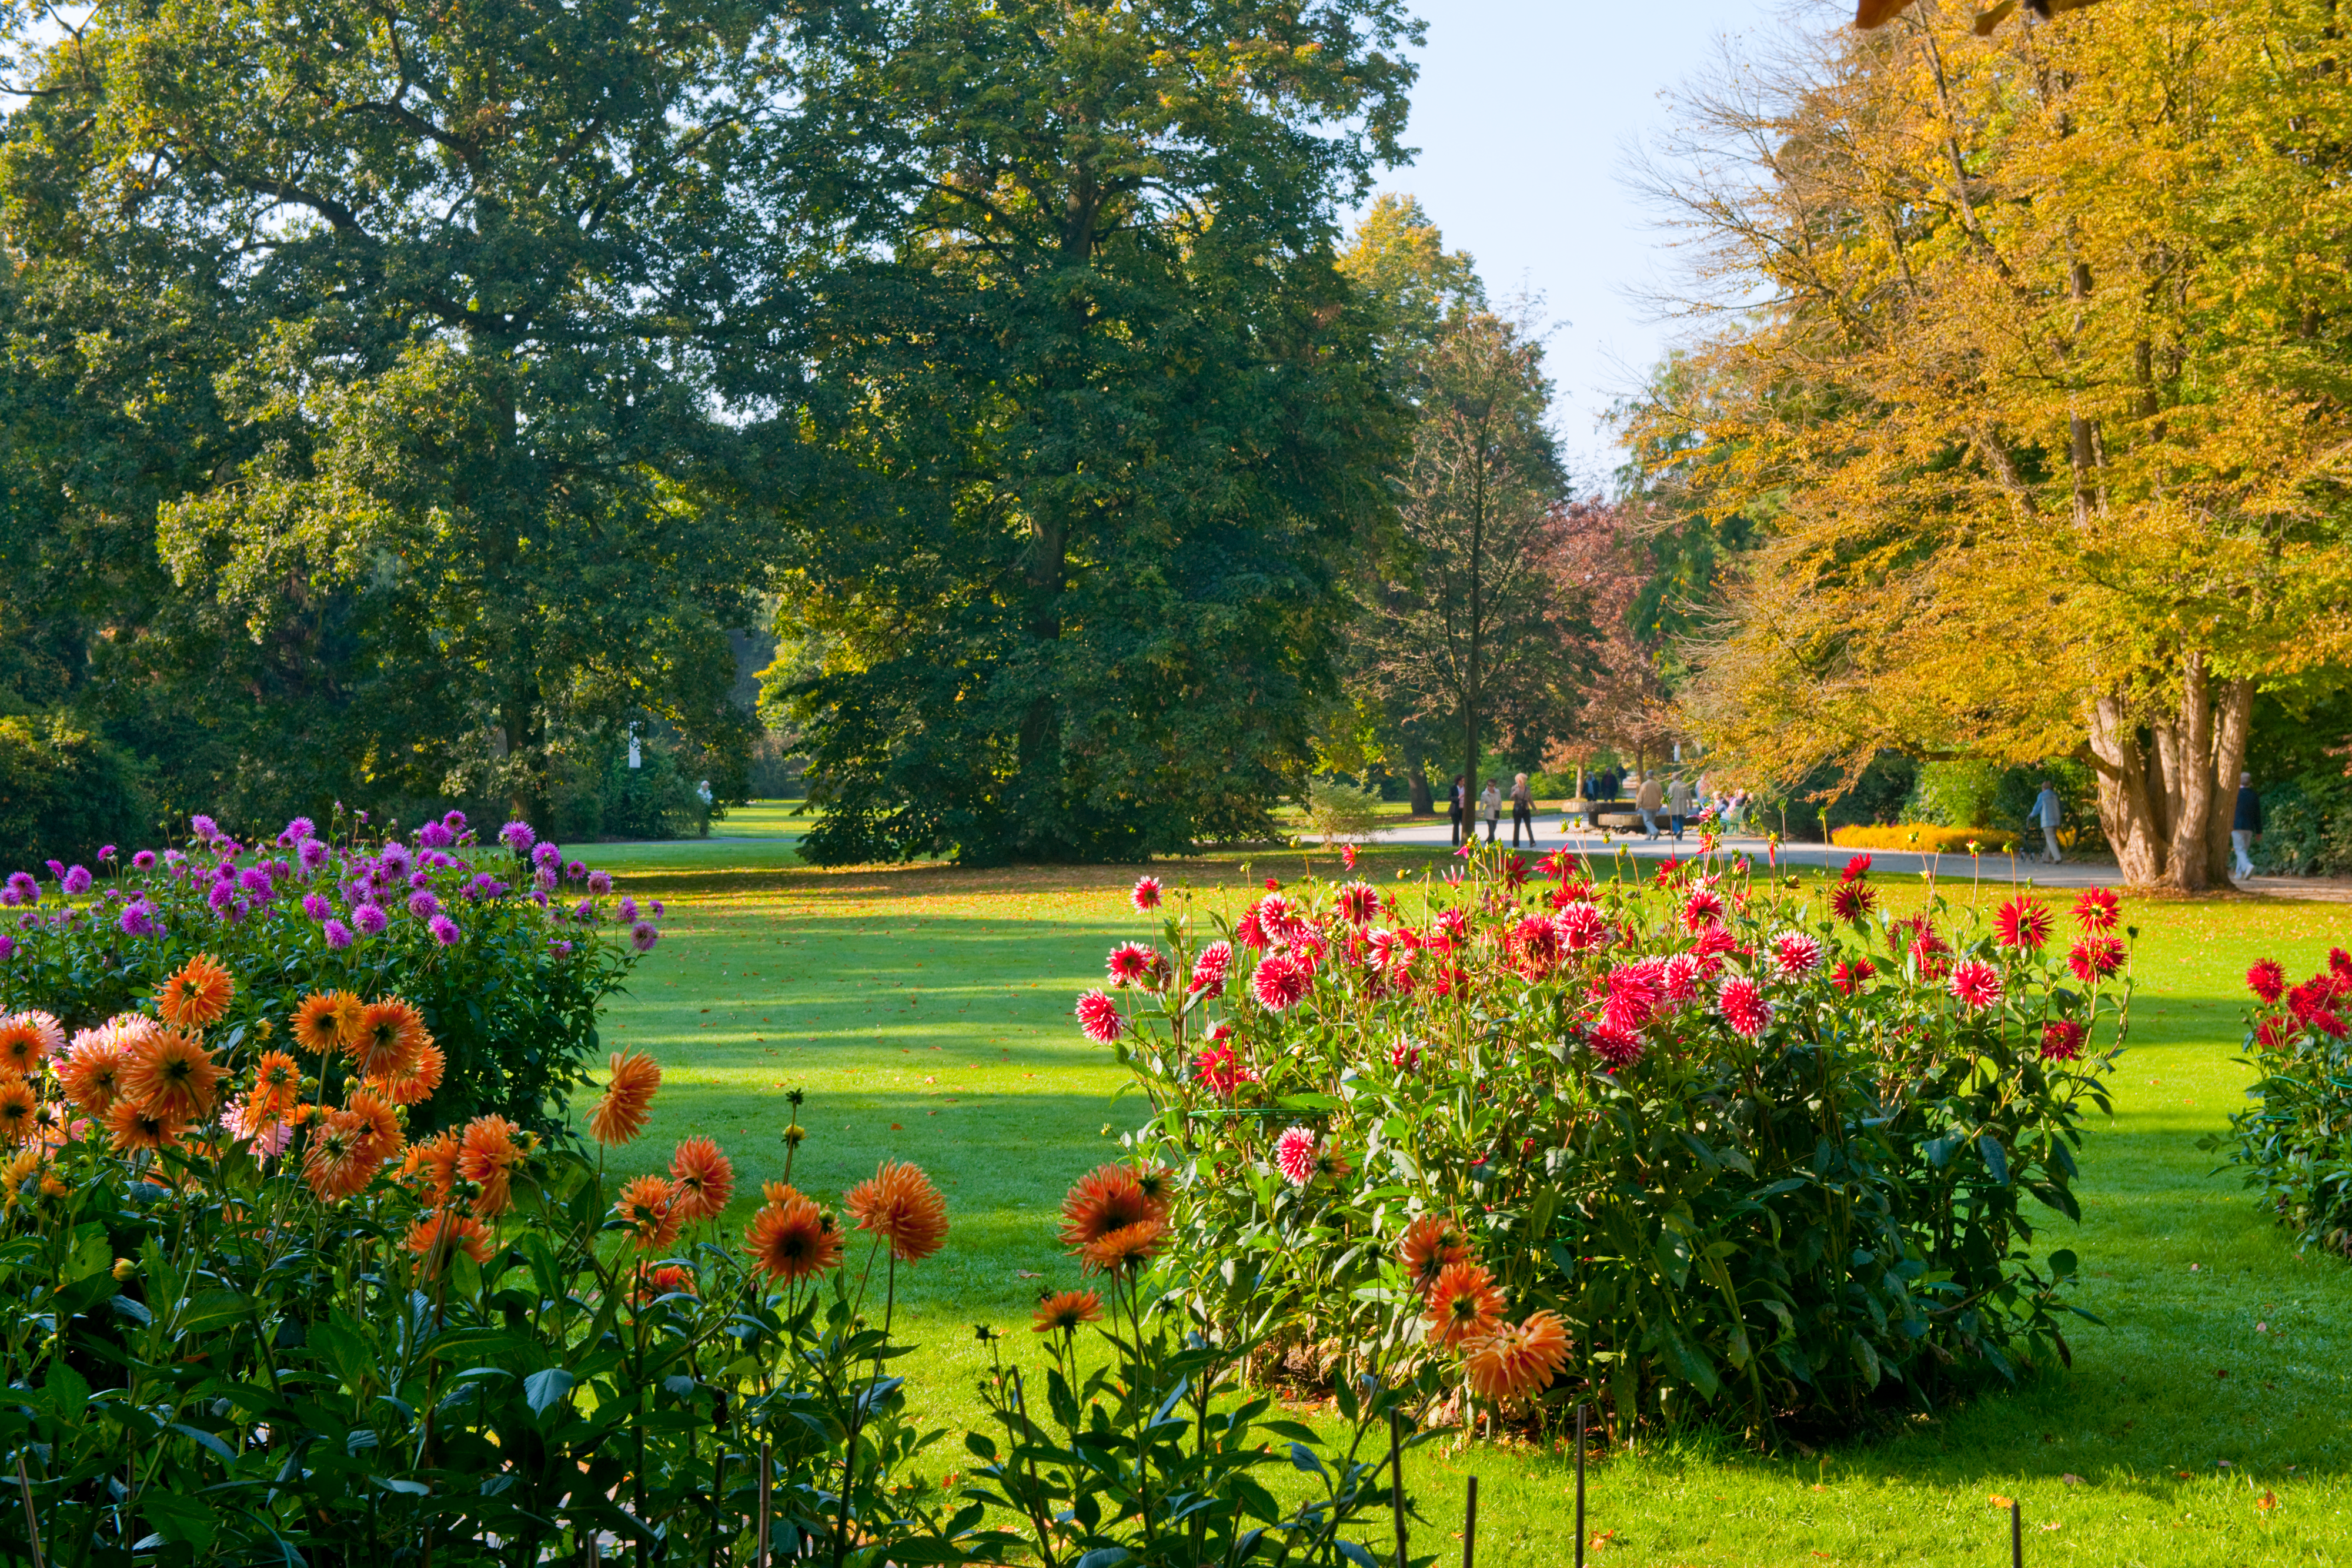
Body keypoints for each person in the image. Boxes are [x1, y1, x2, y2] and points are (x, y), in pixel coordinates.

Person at [2233, 771, 2263, 880]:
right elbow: (2257, 814)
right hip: (2250, 827)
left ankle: (2247, 866)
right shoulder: (2254, 795)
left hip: (2237, 826)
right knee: (2243, 850)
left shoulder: (2235, 794)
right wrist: (2259, 831)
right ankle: (2239, 873)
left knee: (2239, 850)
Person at [2032, 780, 2063, 864]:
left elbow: (2037, 807)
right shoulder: (2055, 795)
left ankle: (2057, 858)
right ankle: (2045, 858)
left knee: (2050, 840)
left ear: (2044, 788)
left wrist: (2032, 815)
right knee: (2051, 839)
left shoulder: (2042, 796)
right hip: (2056, 820)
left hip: (2047, 821)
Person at [1635, 772, 1665, 840]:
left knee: (1647, 822)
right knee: (1651, 822)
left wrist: (1638, 806)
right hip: (1655, 806)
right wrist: (1660, 806)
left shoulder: (1644, 785)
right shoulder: (1658, 785)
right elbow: (1661, 797)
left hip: (1646, 806)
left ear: (1647, 776)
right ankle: (1649, 836)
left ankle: (1655, 831)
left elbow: (1640, 797)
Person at [1509, 772, 1536, 847]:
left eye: (1521, 779)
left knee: (1528, 826)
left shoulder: (1527, 789)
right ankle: (1516, 844)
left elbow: (1530, 799)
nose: (1519, 781)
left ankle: (1532, 842)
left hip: (1526, 809)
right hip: (1517, 809)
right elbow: (1511, 798)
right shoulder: (1514, 788)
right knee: (1517, 827)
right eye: (1518, 779)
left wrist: (1535, 809)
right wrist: (1514, 793)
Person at [1666, 774, 1694, 842]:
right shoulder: (1685, 785)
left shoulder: (1672, 785)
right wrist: (1691, 805)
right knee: (1681, 819)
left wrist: (1667, 804)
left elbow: (1669, 795)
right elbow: (1689, 796)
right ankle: (1680, 836)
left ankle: (1677, 830)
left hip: (1674, 803)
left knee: (1673, 818)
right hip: (1683, 803)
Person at [1480, 778, 1503, 843]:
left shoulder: (1497, 792)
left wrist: (1499, 808)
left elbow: (1500, 801)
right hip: (1489, 812)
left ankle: (1488, 840)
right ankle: (1492, 842)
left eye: (1492, 786)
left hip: (1496, 811)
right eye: (1489, 786)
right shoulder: (1484, 794)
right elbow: (1481, 804)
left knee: (1494, 827)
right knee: (1491, 827)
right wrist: (1479, 813)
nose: (1491, 787)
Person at [1449, 774, 1465, 846]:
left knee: (1465, 826)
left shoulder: (1466, 788)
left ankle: (1466, 842)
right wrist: (1458, 797)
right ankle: (1455, 843)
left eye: (1464, 781)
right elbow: (1450, 798)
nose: (1463, 782)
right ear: (1458, 781)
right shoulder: (1453, 788)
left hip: (1464, 810)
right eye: (1462, 781)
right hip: (1455, 810)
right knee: (1456, 826)